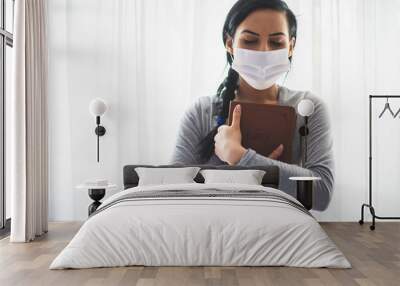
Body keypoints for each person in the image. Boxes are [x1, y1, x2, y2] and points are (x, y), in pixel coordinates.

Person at [170, 0, 334, 211]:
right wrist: (261, 174)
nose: (264, 52)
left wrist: (239, 156)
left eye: (276, 43)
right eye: (249, 40)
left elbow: (321, 194)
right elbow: (174, 191)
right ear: (230, 43)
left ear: (291, 47)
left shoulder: (308, 108)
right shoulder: (201, 112)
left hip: (282, 230)